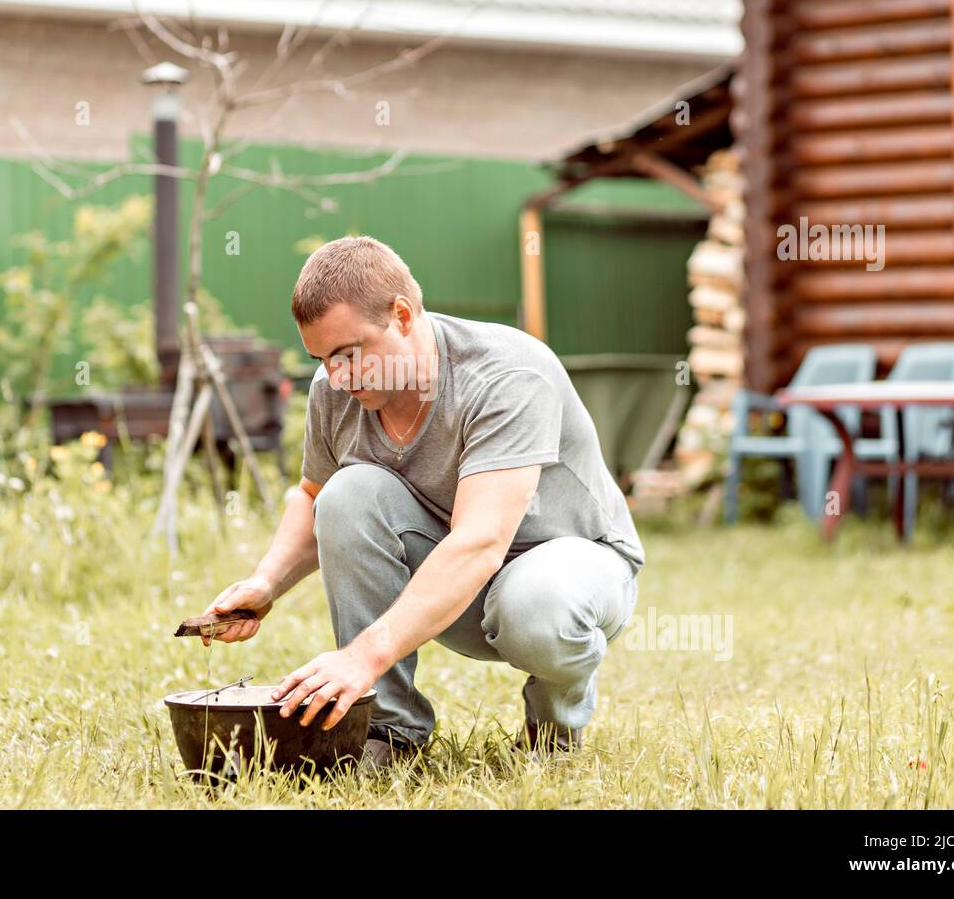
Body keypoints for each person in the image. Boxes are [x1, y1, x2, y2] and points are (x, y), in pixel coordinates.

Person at [200, 235, 643, 769]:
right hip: (459, 582)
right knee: (348, 492)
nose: (336, 377)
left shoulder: (507, 376)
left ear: (403, 315)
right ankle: (388, 731)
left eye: (347, 353)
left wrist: (362, 654)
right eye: (322, 359)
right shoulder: (334, 390)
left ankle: (555, 725)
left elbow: (481, 542)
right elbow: (314, 495)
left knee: (535, 604)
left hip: (572, 571)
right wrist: (266, 583)